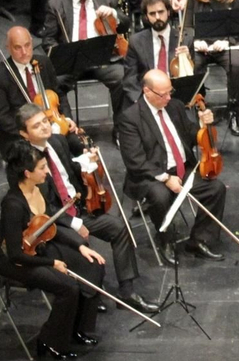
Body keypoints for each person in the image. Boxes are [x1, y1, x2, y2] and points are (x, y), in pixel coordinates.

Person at [12, 103, 155, 315]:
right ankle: (89, 291)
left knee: (119, 228)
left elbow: (69, 171)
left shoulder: (57, 141)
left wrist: (87, 163)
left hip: (79, 206)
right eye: (36, 126)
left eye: (45, 121)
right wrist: (74, 223)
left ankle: (127, 290)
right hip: (54, 223)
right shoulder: (25, 162)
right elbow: (41, 208)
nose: (44, 127)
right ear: (24, 134)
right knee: (80, 244)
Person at [0, 149, 107, 361]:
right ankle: (50, 341)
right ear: (27, 173)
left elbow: (48, 226)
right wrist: (52, 263)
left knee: (93, 265)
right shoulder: (13, 205)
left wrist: (80, 246)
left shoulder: (39, 189)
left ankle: (77, 330)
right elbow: (16, 254)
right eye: (42, 168)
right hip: (14, 262)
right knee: (68, 287)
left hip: (39, 248)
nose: (47, 171)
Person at [116, 69, 229, 264]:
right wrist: (166, 178)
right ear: (147, 91)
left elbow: (191, 134)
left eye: (170, 91)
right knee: (160, 196)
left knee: (215, 188)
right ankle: (165, 240)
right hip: (150, 175)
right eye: (163, 94)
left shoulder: (174, 106)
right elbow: (135, 161)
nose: (169, 97)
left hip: (182, 168)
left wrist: (203, 126)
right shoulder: (130, 118)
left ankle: (200, 239)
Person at [41, 0, 129, 120]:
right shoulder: (56, 4)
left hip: (103, 59)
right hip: (71, 61)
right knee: (53, 83)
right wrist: (63, 55)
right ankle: (68, 128)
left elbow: (125, 25)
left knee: (123, 78)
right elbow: (48, 40)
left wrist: (114, 14)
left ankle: (121, 128)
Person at [182, 0, 239, 128]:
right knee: (193, 64)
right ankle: (200, 106)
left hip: (225, 44)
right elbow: (187, 27)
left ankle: (233, 110)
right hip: (201, 45)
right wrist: (195, 42)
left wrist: (228, 42)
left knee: (236, 64)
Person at [0, 26, 75, 142]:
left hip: (53, 124)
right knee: (54, 148)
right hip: (21, 135)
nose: (24, 52)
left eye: (27, 45)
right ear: (8, 48)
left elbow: (59, 94)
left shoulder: (44, 62)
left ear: (32, 43)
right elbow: (1, 117)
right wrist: (30, 132)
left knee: (80, 145)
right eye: (18, 47)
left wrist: (67, 118)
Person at [121, 0, 195, 104]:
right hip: (148, 98)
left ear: (168, 12)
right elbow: (130, 79)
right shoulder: (136, 41)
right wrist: (140, 102)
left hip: (178, 97)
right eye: (152, 13)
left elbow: (197, 75)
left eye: (161, 12)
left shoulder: (185, 39)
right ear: (146, 16)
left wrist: (189, 60)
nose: (157, 17)